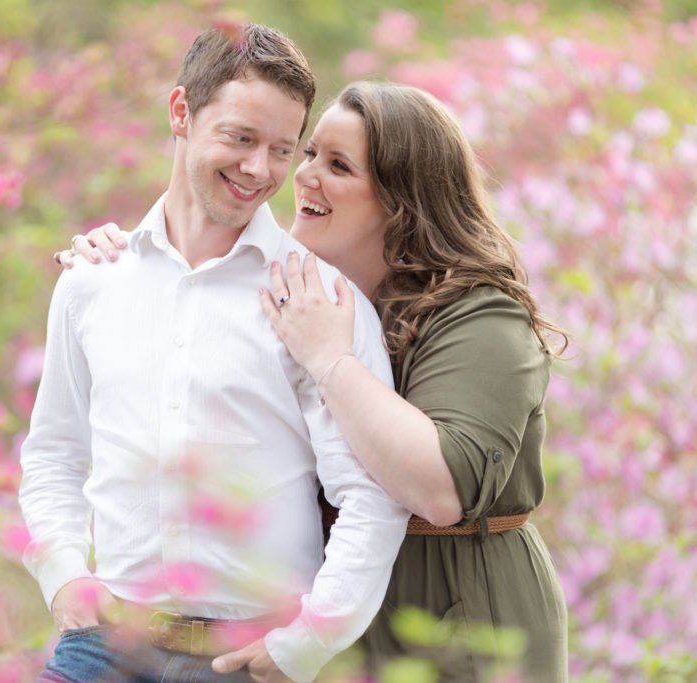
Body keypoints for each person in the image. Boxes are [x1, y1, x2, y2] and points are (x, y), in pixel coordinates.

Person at [57, 80, 570, 682]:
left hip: (459, 600)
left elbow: (440, 490)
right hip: (338, 609)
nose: (303, 177)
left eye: (339, 165)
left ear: (402, 199)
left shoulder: (481, 315)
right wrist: (129, 257)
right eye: (308, 155)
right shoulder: (314, 298)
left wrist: (331, 361)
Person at [20, 26, 410, 683]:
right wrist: (61, 574)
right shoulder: (92, 279)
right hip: (103, 644)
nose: (260, 169)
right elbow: (55, 451)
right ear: (181, 112)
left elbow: (369, 496)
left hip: (247, 661)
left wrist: (307, 643)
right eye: (240, 138)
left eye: (282, 149)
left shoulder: (320, 301)